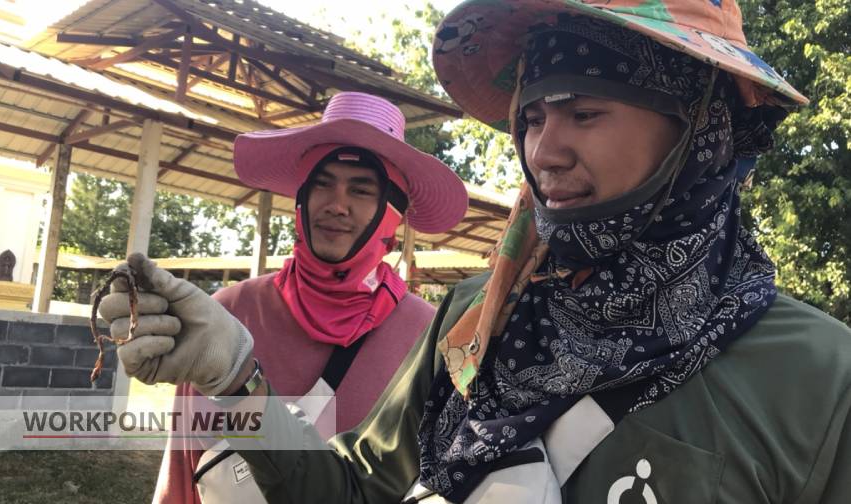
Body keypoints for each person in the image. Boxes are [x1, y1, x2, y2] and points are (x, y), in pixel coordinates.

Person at [103, 1, 851, 502]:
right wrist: (238, 380)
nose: (543, 152)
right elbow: (359, 492)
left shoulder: (818, 378)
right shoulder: (475, 319)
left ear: (700, 126)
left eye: (585, 114)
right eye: (533, 117)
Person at [97, 91, 468, 503]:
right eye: (322, 183)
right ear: (301, 197)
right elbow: (184, 468)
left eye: (361, 190)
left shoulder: (431, 337)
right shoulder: (227, 314)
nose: (337, 205)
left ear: (392, 214)